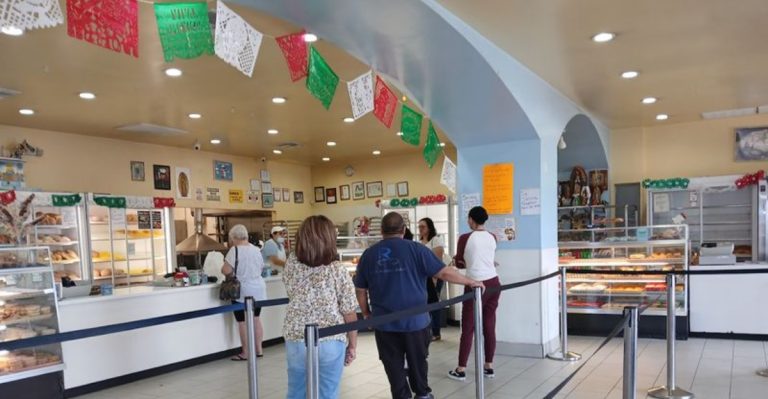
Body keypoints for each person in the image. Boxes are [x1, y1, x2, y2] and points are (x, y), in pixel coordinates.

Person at [355, 212, 484, 399]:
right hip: (416, 322)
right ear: (404, 230)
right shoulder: (417, 249)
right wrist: (470, 282)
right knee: (418, 361)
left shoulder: (369, 254)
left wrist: (367, 313)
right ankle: (422, 393)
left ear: (382, 231)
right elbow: (444, 273)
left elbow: (360, 289)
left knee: (392, 364)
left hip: (384, 323)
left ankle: (401, 395)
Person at [283, 216, 358, 399]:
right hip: (331, 338)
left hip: (296, 336)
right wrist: (353, 345)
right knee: (328, 392)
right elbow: (349, 312)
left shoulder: (291, 264)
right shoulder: (337, 270)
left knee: (296, 391)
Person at [448, 206, 501, 381]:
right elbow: (486, 258)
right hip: (494, 283)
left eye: (468, 219)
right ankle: (489, 366)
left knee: (468, 328)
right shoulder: (492, 237)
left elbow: (461, 263)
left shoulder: (464, 238)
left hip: (475, 285)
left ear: (471, 219)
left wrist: (455, 261)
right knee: (489, 325)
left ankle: (461, 368)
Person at [221, 224, 266, 360]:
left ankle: (246, 352)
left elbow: (226, 270)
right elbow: (261, 268)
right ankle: (259, 350)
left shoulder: (234, 250)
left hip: (242, 291)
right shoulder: (256, 250)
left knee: (242, 321)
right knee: (256, 319)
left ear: (233, 237)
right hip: (258, 288)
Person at [418, 217, 446, 341]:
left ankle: (436, 332)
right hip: (424, 277)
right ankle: (427, 330)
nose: (420, 229)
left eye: (423, 226)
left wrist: (434, 279)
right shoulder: (419, 242)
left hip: (435, 276)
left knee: (434, 303)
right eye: (419, 226)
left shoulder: (436, 240)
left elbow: (437, 261)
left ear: (429, 227)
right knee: (426, 303)